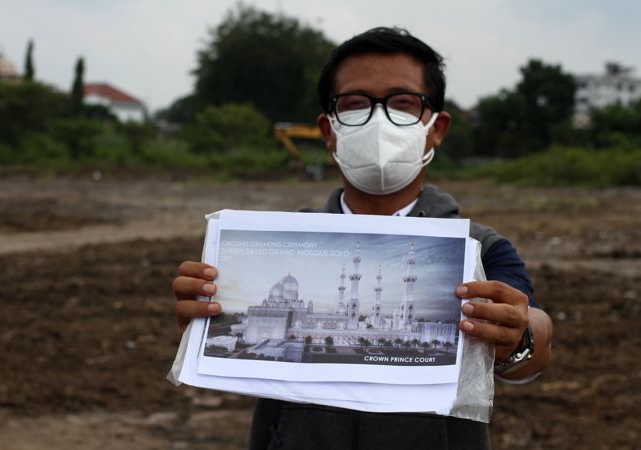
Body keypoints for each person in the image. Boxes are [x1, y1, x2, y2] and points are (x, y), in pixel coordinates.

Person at [173, 27, 553, 450]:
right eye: (354, 104)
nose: (378, 119)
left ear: (437, 127)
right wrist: (207, 316)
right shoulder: (282, 236)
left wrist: (520, 338)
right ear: (329, 129)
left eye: (403, 103)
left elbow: (533, 339)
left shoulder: (480, 248)